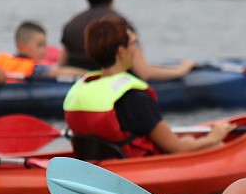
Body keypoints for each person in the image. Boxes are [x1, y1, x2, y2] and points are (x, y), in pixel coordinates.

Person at [61, 15, 233, 158]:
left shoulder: (81, 87)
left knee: (189, 138)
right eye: (134, 44)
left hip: (99, 164)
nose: (137, 49)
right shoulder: (134, 97)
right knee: (213, 143)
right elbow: (177, 148)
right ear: (121, 52)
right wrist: (213, 138)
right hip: (134, 169)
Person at [59, 0, 194, 81]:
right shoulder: (119, 27)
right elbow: (145, 72)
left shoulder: (71, 25)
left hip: (78, 82)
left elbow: (61, 66)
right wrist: (180, 70)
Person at [0, 21, 86, 81]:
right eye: (39, 45)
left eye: (45, 45)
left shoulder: (1, 60)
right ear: (22, 47)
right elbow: (57, 72)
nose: (44, 50)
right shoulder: (35, 68)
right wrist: (84, 73)